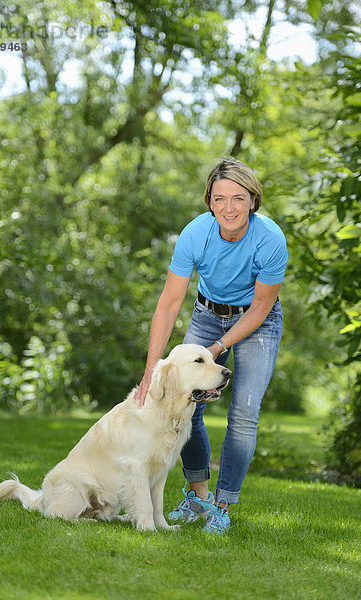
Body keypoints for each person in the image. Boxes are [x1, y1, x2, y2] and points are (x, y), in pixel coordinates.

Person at [135, 156, 288, 535]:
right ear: (209, 201)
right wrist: (152, 368)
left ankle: (222, 506)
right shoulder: (195, 234)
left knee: (244, 413)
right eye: (219, 199)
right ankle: (199, 495)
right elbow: (170, 303)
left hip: (258, 320)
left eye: (238, 198)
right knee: (186, 403)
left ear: (253, 199)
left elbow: (261, 307)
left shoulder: (270, 239)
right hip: (206, 313)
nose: (228, 208)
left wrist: (217, 348)